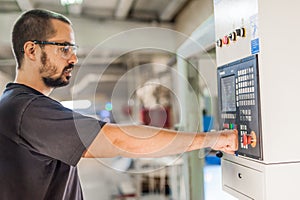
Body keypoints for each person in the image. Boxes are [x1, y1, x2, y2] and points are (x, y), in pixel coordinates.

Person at [0, 9, 238, 200]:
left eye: (73, 49)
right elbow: (118, 139)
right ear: (31, 50)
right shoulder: (26, 110)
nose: (73, 58)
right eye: (64, 48)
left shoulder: (17, 105)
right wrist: (212, 139)